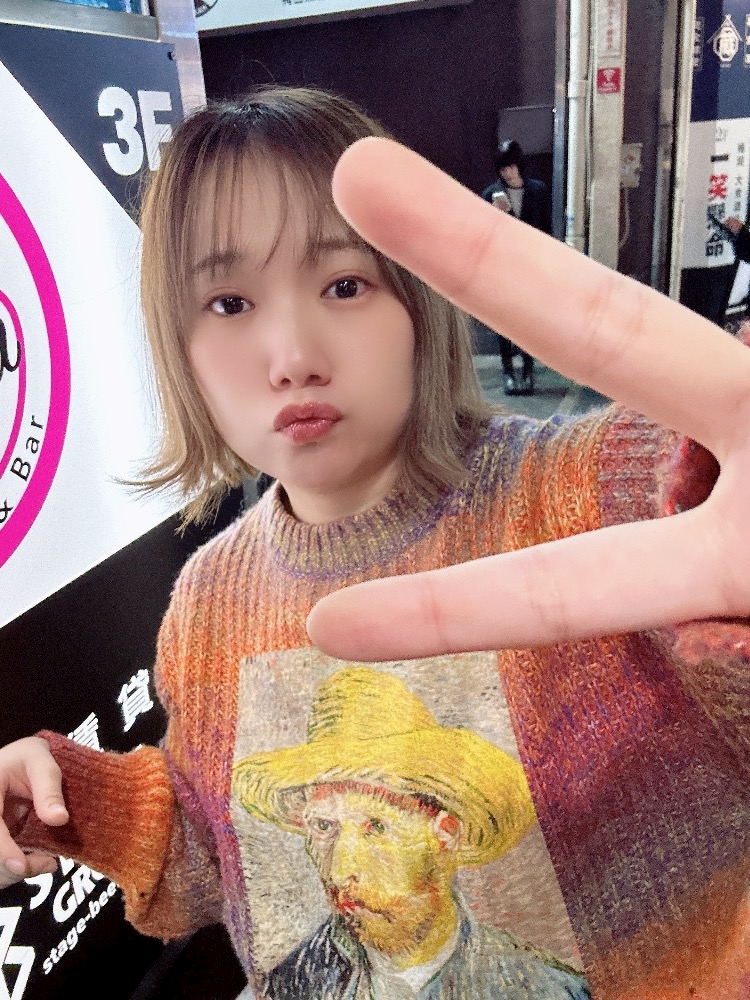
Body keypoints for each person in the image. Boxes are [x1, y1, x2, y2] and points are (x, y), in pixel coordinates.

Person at [0, 85, 748, 1000]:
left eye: (345, 285)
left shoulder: (612, 489)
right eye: (229, 302)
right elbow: (229, 865)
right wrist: (71, 800)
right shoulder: (207, 600)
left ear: (419, 304)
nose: (292, 357)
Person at [233, 666, 589, 999]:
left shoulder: (547, 988)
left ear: (446, 835)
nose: (340, 871)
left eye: (376, 828)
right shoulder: (285, 988)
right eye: (324, 826)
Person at [478, 139, 552, 396]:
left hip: (531, 263)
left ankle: (528, 371)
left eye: (511, 167)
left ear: (519, 165)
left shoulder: (538, 190)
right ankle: (508, 372)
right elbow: (484, 234)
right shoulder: (491, 194)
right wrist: (496, 216)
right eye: (503, 168)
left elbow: (545, 229)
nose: (507, 173)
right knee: (504, 320)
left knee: (529, 320)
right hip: (503, 265)